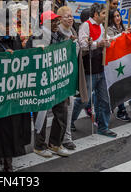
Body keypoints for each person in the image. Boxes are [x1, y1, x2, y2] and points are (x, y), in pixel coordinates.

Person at [0, 9, 32, 172]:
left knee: (13, 127)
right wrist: (0, 59)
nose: (9, 27)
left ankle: (8, 157)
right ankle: (4, 159)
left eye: (10, 23)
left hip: (13, 92)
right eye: (5, 23)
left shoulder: (15, 38)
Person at [32, 10, 74, 158]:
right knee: (41, 116)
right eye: (53, 21)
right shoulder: (37, 36)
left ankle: (55, 143)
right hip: (42, 82)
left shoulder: (58, 35)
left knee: (62, 112)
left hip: (57, 80)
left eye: (57, 21)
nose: (57, 23)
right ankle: (39, 145)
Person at [75, 3, 117, 137]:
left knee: (104, 99)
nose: (106, 16)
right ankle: (70, 120)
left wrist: (111, 41)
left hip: (102, 68)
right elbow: (82, 44)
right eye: (103, 13)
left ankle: (103, 127)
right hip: (89, 68)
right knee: (84, 100)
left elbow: (107, 41)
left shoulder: (102, 26)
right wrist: (97, 44)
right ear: (96, 14)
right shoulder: (86, 25)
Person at [57, 6, 89, 150]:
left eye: (71, 16)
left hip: (69, 75)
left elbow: (78, 52)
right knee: (57, 110)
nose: (70, 18)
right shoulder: (56, 32)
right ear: (60, 19)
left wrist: (86, 45)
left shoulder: (73, 30)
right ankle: (49, 141)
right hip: (57, 77)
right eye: (67, 16)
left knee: (68, 108)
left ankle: (66, 137)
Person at [107, 8, 131, 122]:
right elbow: (111, 41)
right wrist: (123, 34)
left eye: (119, 16)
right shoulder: (108, 29)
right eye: (115, 16)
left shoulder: (123, 27)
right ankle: (121, 110)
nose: (118, 18)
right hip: (112, 62)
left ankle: (120, 110)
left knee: (121, 86)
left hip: (122, 60)